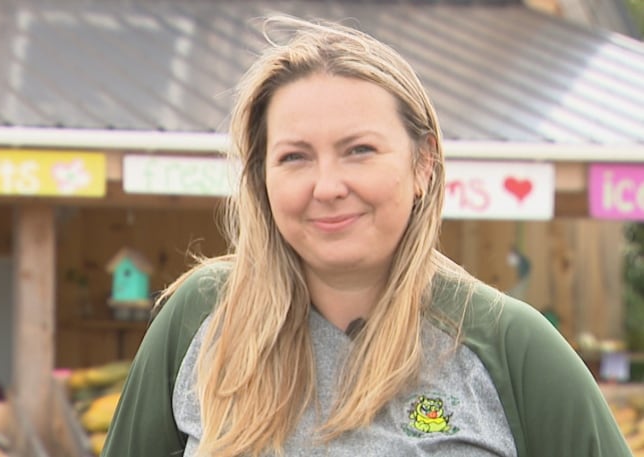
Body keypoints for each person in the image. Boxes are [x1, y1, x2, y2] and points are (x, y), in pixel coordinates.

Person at [101, 15, 631, 457]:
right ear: (262, 176)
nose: (327, 186)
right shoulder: (199, 319)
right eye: (294, 157)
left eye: (359, 150)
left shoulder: (511, 347)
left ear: (423, 163)